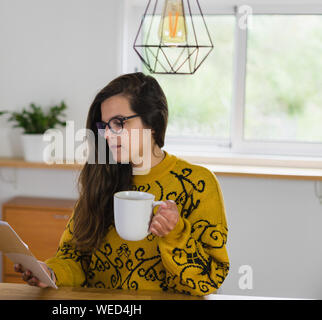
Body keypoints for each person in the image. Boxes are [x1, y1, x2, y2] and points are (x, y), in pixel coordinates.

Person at [14, 72, 229, 296]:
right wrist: (49, 272)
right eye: (104, 125)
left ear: (153, 122)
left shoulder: (197, 183)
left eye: (118, 123)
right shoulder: (102, 177)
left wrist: (175, 234)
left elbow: (210, 279)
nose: (107, 135)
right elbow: (75, 258)